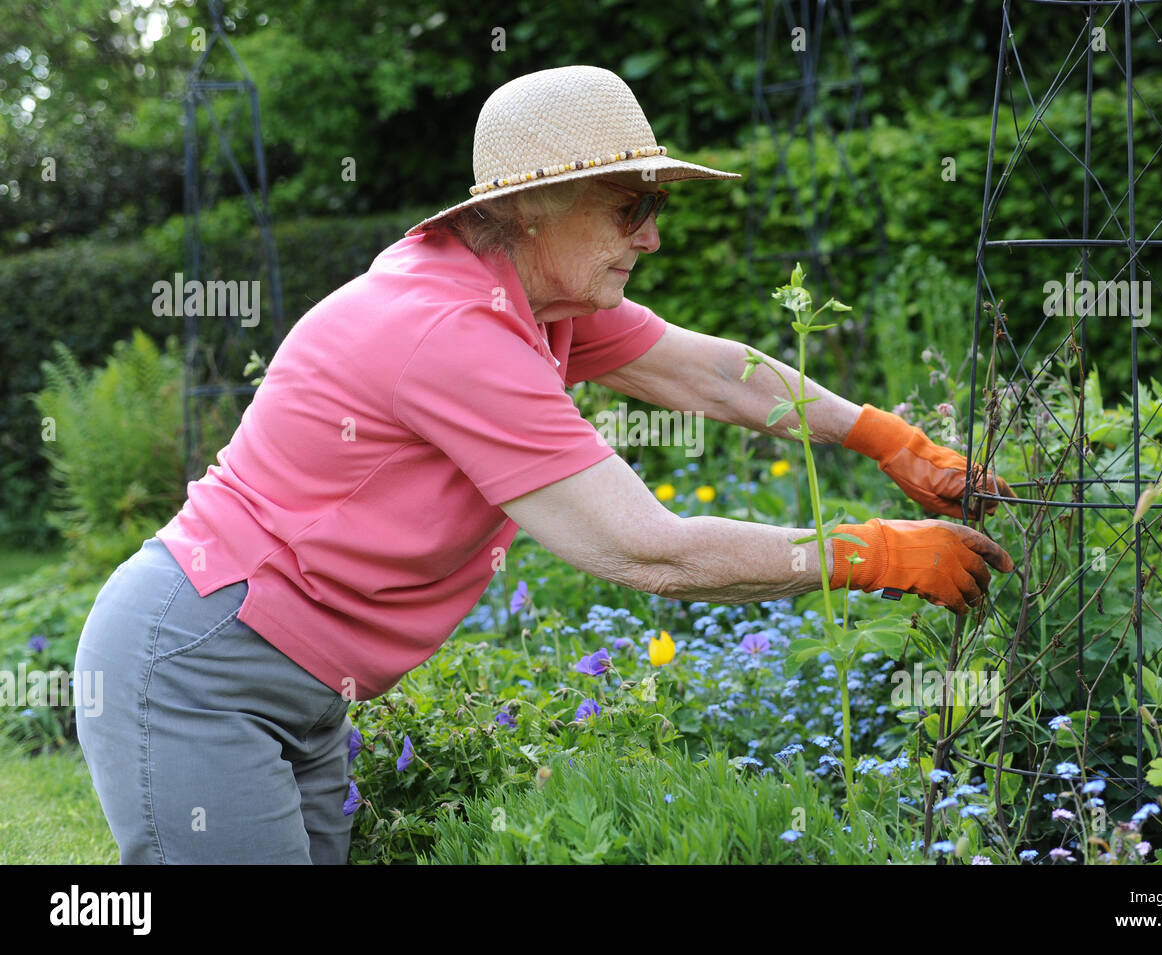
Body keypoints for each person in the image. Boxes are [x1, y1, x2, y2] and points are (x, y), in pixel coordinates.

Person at [73, 64, 1014, 865]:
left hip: (297, 682)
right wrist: (874, 555)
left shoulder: (536, 296)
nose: (651, 234)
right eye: (630, 207)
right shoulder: (453, 329)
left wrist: (891, 440)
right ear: (530, 207)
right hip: (201, 668)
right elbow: (650, 553)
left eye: (655, 206)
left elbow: (713, 372)